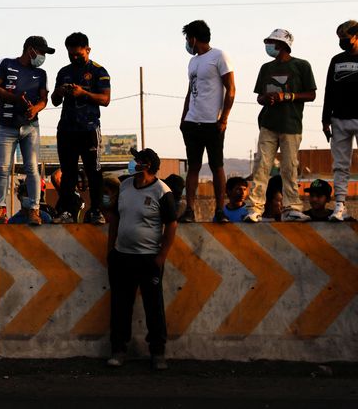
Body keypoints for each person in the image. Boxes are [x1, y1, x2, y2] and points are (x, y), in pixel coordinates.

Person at [106, 147, 177, 371]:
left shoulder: (162, 191)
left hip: (148, 260)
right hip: (122, 257)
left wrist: (161, 257)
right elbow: (115, 219)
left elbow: (172, 225)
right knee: (120, 306)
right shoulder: (125, 186)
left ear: (148, 165)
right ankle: (118, 350)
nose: (133, 163)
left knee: (153, 307)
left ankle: (157, 353)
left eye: (137, 160)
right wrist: (111, 251)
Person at [243, 29, 316, 223]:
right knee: (261, 165)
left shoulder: (301, 65)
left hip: (290, 124)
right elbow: (259, 97)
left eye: (271, 42)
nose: (268, 46)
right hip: (268, 123)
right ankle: (255, 207)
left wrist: (288, 96)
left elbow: (311, 94)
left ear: (282, 45)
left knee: (289, 167)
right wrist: (265, 98)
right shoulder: (265, 68)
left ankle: (291, 207)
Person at [0, 36, 52, 226]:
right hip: (6, 125)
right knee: (3, 168)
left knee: (32, 168)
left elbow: (44, 99)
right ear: (30, 50)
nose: (43, 56)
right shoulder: (6, 64)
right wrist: (14, 99)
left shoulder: (42, 74)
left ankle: (34, 210)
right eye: (42, 52)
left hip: (31, 127)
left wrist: (35, 108)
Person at [51, 32, 111, 224]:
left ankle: (96, 211)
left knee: (94, 171)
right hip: (66, 129)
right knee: (68, 172)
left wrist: (83, 93)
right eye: (71, 54)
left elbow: (105, 99)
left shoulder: (99, 71)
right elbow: (54, 100)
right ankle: (67, 211)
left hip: (89, 129)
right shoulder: (63, 72)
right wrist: (60, 91)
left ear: (88, 50)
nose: (75, 58)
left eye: (79, 54)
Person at [179, 20, 235, 223]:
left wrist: (224, 118)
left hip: (213, 122)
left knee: (216, 166)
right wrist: (183, 117)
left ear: (193, 38)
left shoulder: (219, 56)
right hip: (192, 122)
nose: (187, 43)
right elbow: (190, 90)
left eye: (187, 39)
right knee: (193, 167)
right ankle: (190, 210)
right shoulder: (193, 61)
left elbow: (231, 88)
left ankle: (220, 211)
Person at [322, 20, 358, 221]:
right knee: (340, 165)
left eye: (345, 39)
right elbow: (329, 89)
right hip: (339, 119)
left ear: (356, 36)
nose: (342, 42)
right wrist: (325, 119)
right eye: (339, 39)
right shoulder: (336, 60)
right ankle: (340, 205)